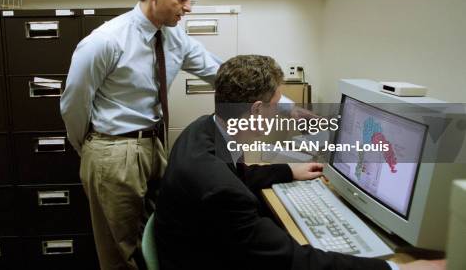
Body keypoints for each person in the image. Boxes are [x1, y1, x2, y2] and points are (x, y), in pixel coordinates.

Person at [154, 55, 445, 270]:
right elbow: (290, 260)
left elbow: (237, 176)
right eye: (277, 104)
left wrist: (288, 170)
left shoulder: (201, 130)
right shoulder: (221, 189)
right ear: (256, 110)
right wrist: (396, 268)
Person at [60, 0, 222, 270]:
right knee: (122, 254)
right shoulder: (105, 41)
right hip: (113, 149)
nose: (188, 8)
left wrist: (281, 105)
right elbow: (73, 104)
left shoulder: (174, 38)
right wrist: (93, 150)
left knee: (159, 236)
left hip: (153, 146)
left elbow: (222, 75)